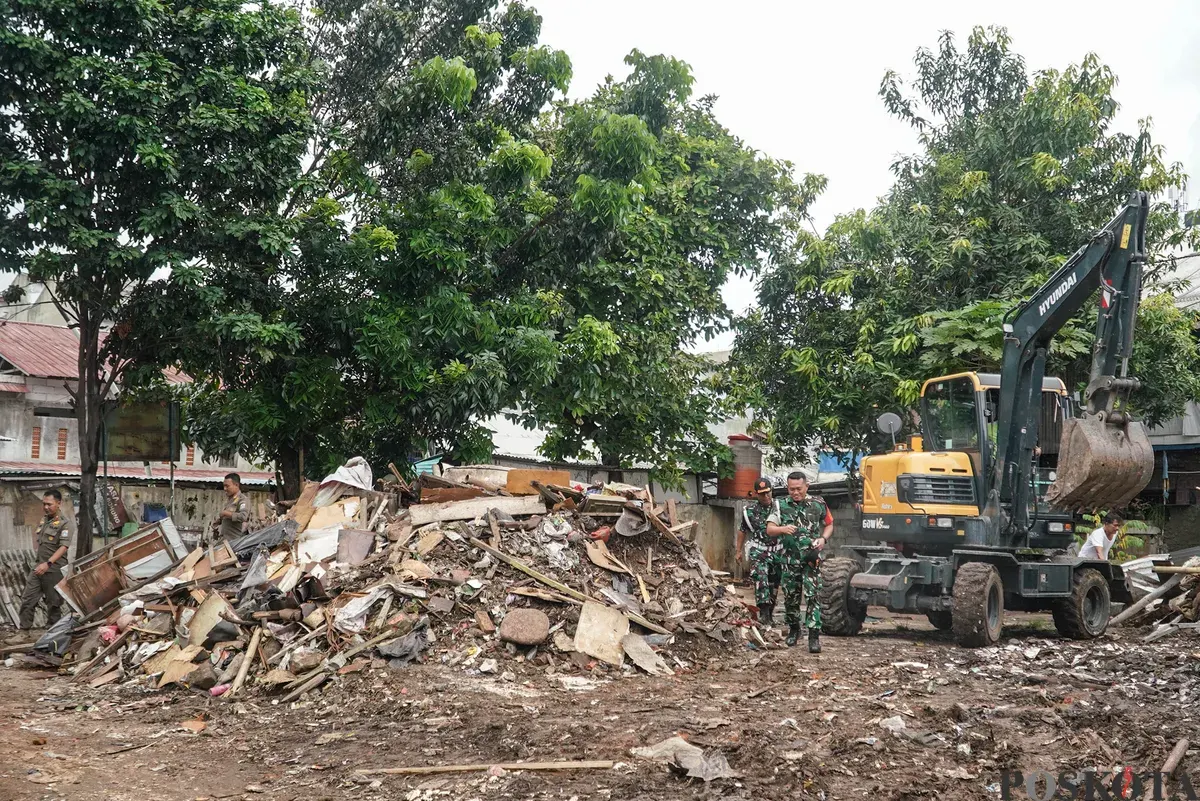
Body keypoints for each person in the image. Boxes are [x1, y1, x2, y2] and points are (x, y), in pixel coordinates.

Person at [766, 472, 833, 651]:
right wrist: (782, 528)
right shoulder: (779, 504)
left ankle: (814, 636)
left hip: (811, 559)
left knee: (813, 596)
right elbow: (770, 529)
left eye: (798, 489)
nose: (795, 492)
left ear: (806, 487)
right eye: (791, 489)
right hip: (789, 559)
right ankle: (794, 630)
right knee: (791, 597)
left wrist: (823, 539)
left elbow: (829, 524)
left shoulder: (818, 503)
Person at [17, 490, 70, 635]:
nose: (46, 507)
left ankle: (52, 634)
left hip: (53, 569)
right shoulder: (44, 520)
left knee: (53, 603)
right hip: (38, 567)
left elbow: (63, 547)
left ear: (59, 503)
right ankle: (23, 632)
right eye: (44, 504)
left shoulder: (65, 524)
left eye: (49, 504)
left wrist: (48, 563)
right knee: (28, 598)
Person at [736, 478, 782, 630]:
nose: (766, 496)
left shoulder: (780, 507)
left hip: (777, 550)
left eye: (768, 493)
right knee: (761, 578)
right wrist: (738, 551)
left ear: (771, 491)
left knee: (774, 583)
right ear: (756, 494)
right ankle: (763, 613)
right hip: (759, 550)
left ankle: (769, 613)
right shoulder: (749, 512)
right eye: (762, 494)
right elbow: (742, 530)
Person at [216, 473, 249, 541]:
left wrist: (225, 513)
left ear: (236, 485)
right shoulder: (231, 500)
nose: (225, 489)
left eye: (227, 486)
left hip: (236, 542)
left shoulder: (242, 500)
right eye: (224, 486)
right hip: (226, 540)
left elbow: (243, 516)